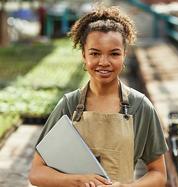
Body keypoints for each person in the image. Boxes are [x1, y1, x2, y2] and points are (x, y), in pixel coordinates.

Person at [28, 6, 168, 187]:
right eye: (95, 53)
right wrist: (77, 180)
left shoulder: (140, 107)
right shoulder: (68, 105)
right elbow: (37, 172)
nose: (104, 62)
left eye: (114, 54)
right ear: (84, 55)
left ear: (124, 55)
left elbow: (158, 173)